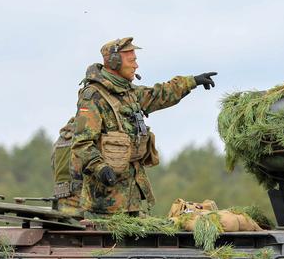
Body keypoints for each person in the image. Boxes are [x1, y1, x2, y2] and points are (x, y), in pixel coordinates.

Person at [71, 37, 217, 215]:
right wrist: (100, 168)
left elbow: (158, 94)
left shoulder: (129, 94)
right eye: (132, 61)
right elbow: (82, 143)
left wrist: (191, 82)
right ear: (115, 62)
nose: (136, 66)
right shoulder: (94, 97)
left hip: (132, 200)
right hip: (105, 204)